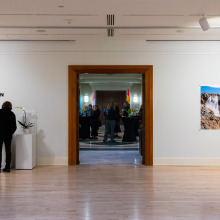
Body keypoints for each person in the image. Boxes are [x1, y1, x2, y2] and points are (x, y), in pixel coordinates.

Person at [0, 101, 17, 172]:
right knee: (8, 150)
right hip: (8, 135)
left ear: (3, 105)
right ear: (10, 106)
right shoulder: (12, 114)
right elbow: (14, 126)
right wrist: (10, 133)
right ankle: (7, 167)